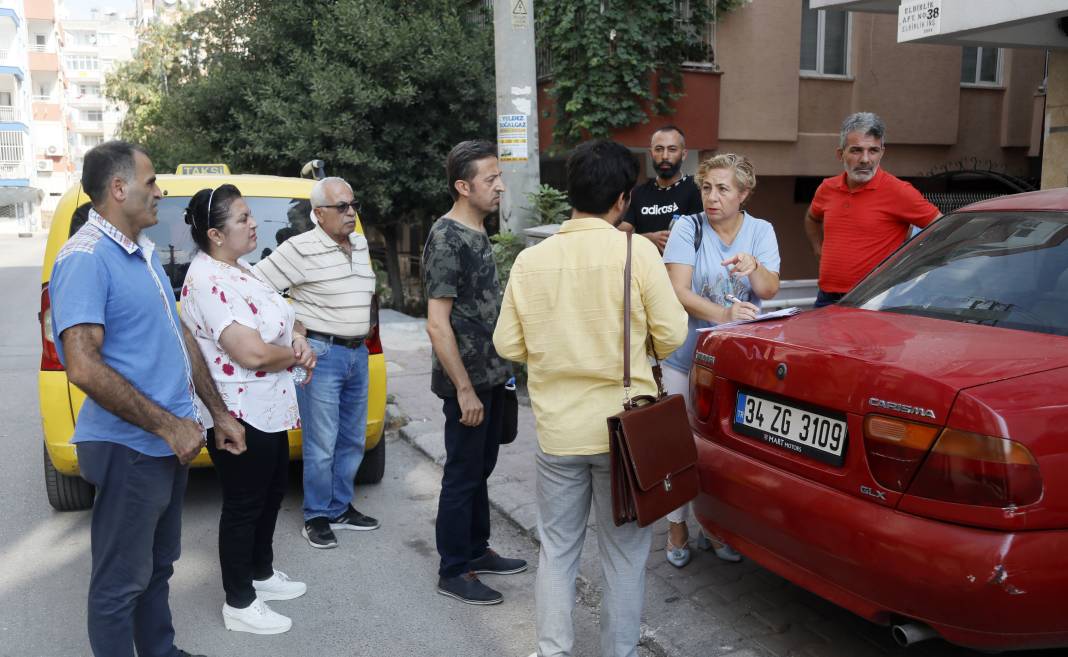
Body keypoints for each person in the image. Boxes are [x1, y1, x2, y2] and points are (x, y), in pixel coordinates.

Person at [49, 140, 246, 657]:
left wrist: (216, 412)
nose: (159, 191)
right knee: (120, 583)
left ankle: (161, 651)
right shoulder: (86, 257)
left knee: (158, 566)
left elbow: (178, 336)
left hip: (165, 443)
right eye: (151, 181)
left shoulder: (139, 252)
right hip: (129, 447)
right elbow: (82, 365)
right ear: (119, 189)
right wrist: (166, 426)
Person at [493, 139, 688, 657]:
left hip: (558, 431)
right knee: (623, 556)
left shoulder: (531, 261)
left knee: (557, 550)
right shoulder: (636, 251)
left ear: (571, 192)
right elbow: (671, 334)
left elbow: (507, 344)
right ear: (623, 199)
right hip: (626, 434)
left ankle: (552, 650)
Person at [180, 185, 316, 634]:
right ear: (216, 234)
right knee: (243, 505)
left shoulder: (242, 269)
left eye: (250, 215)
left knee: (271, 493)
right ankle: (239, 602)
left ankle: (261, 573)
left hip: (271, 406)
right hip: (238, 412)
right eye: (242, 219)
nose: (253, 223)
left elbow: (286, 312)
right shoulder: (209, 281)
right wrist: (298, 355)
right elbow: (252, 354)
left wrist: (297, 335)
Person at [661, 153, 782, 568]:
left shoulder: (761, 231)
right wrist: (723, 316)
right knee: (677, 446)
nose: (712, 198)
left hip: (733, 367)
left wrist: (753, 267)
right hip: (683, 357)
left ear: (744, 192)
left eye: (723, 189)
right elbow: (678, 290)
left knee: (720, 450)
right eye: (707, 188)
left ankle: (712, 527)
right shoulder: (687, 227)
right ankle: (676, 524)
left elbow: (769, 291)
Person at [422, 139, 528, 606]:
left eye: (499, 176)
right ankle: (453, 569)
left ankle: (476, 549)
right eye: (491, 179)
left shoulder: (477, 230)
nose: (500, 186)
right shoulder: (446, 237)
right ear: (463, 186)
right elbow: (436, 322)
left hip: (491, 374)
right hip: (467, 382)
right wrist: (464, 390)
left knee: (481, 469)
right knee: (463, 475)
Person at [255, 177, 379, 549]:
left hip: (358, 352)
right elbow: (256, 288)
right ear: (319, 214)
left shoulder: (359, 242)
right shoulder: (299, 248)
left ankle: (340, 507)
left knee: (352, 439)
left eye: (353, 204)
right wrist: (294, 327)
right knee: (322, 442)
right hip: (321, 356)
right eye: (341, 207)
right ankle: (317, 515)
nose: (350, 212)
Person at [804, 112, 941, 307]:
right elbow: (812, 218)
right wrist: (818, 249)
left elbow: (942, 228)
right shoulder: (827, 188)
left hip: (876, 300)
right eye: (856, 150)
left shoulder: (899, 191)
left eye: (873, 150)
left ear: (882, 153)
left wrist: (913, 267)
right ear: (840, 153)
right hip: (827, 297)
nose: (865, 159)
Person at [617, 125, 703, 253]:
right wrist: (649, 238)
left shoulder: (697, 188)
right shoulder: (638, 193)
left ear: (684, 154)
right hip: (644, 269)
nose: (665, 156)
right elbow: (619, 236)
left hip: (684, 269)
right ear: (651, 153)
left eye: (672, 149)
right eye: (659, 149)